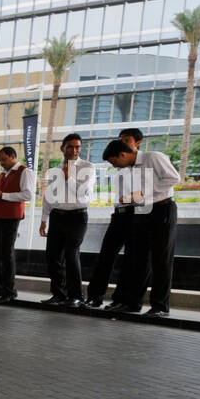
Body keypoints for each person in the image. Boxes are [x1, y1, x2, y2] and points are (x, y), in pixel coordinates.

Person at [102, 138, 180, 316]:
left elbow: (174, 178)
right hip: (142, 210)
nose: (115, 167)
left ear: (123, 154)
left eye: (115, 162)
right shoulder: (130, 168)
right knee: (139, 259)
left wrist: (143, 193)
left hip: (162, 209)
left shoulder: (154, 157)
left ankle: (160, 307)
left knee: (161, 259)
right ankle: (133, 303)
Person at [85, 128, 143, 309]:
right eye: (121, 140)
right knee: (105, 256)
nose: (123, 143)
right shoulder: (119, 164)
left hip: (137, 215)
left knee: (130, 260)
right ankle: (95, 297)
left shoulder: (145, 163)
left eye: (127, 140)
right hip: (119, 215)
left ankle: (120, 299)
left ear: (138, 143)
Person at [39, 133, 94, 308]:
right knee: (52, 256)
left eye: (77, 147)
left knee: (71, 255)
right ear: (63, 148)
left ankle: (76, 296)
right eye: (70, 146)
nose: (74, 150)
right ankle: (59, 294)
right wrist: (43, 219)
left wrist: (68, 176)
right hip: (57, 216)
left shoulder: (88, 167)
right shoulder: (54, 170)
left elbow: (83, 193)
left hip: (77, 216)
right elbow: (49, 196)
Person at [0, 146, 32, 303]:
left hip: (11, 217)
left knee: (6, 253)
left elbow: (28, 194)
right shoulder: (0, 176)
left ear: (13, 156)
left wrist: (2, 195)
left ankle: (9, 290)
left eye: (3, 159)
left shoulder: (25, 171)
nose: (1, 163)